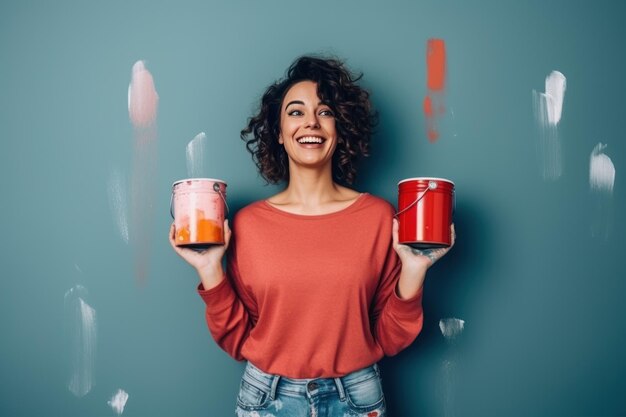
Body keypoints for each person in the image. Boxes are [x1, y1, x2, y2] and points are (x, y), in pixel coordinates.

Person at [169, 55, 455, 417]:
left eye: (325, 111)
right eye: (296, 112)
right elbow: (239, 341)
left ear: (340, 127)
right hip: (265, 399)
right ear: (278, 131)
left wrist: (415, 270)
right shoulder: (247, 223)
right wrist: (209, 268)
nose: (311, 123)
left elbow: (389, 338)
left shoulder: (379, 217)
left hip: (357, 398)